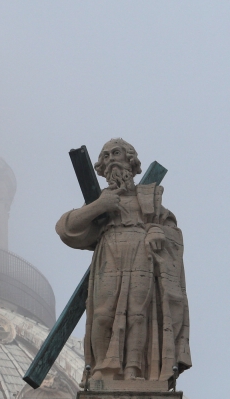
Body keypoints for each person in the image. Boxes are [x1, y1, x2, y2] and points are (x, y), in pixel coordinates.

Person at [56, 138, 191, 387]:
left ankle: (133, 370)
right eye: (105, 157)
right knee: (102, 315)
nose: (110, 160)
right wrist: (100, 205)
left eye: (115, 153)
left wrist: (157, 231)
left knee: (138, 315)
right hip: (110, 254)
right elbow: (66, 228)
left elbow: (171, 229)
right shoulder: (100, 201)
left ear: (131, 160)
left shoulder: (149, 197)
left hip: (143, 255)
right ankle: (101, 370)